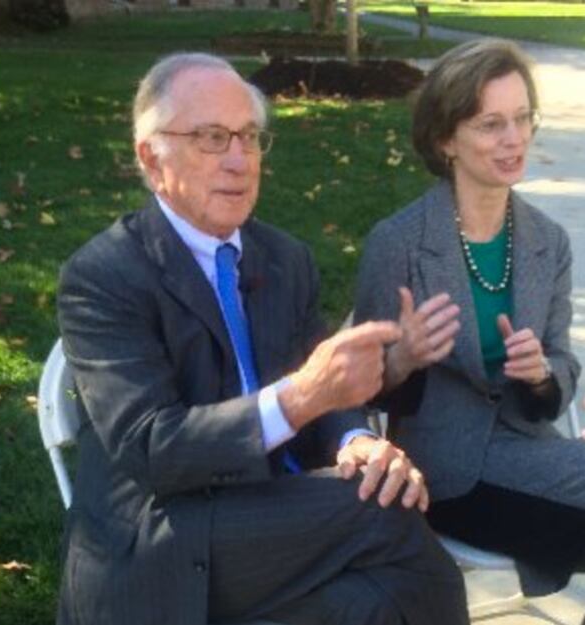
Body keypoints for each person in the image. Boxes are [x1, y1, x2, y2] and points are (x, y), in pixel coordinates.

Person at [55, 52, 469, 625]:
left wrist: (355, 441)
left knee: (377, 593)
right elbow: (156, 449)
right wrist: (301, 396)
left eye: (249, 137)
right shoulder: (103, 275)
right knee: (384, 518)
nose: (238, 160)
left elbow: (324, 397)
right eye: (212, 137)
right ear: (152, 159)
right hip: (162, 534)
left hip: (269, 520)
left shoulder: (285, 259)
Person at [355, 38, 585, 599]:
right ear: (445, 139)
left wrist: (541, 375)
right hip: (443, 473)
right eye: (490, 125)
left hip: (534, 450)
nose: (514, 139)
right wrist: (401, 358)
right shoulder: (400, 243)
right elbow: (358, 390)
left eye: (522, 118)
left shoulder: (547, 242)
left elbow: (561, 368)